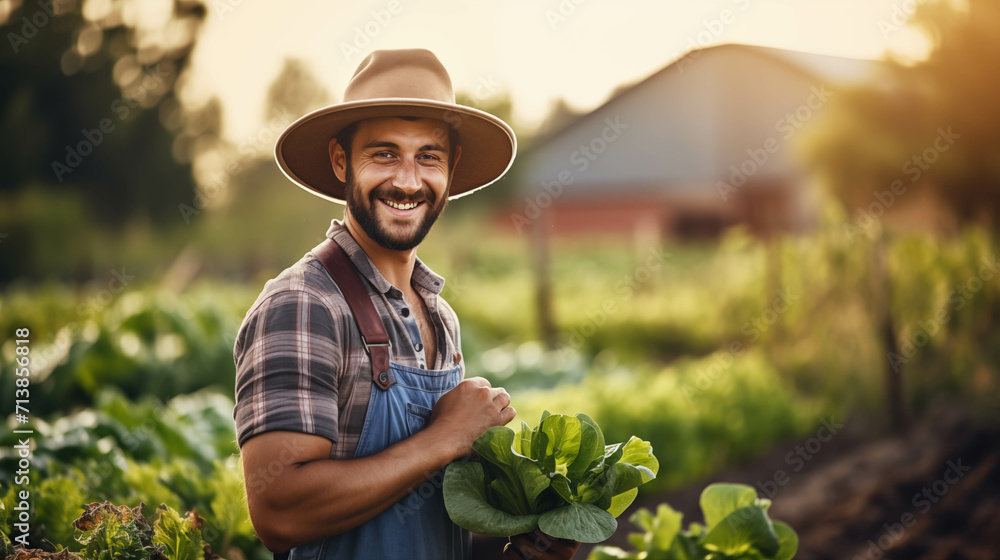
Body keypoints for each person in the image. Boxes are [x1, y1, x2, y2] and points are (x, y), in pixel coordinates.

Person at [232, 49, 580, 560]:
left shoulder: (441, 317)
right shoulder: (304, 304)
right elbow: (280, 512)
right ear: (340, 161)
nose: (408, 181)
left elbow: (423, 508)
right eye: (384, 153)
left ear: (451, 170)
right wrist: (446, 437)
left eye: (429, 157)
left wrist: (520, 535)